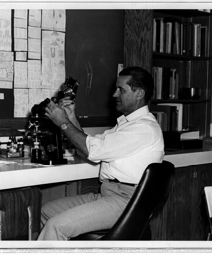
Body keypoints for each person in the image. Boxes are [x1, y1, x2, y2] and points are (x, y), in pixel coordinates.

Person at [37, 66, 164, 240]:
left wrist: (63, 123)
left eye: (121, 90)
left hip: (127, 201)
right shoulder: (127, 124)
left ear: (139, 94)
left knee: (56, 226)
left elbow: (93, 151)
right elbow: (92, 146)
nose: (114, 95)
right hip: (109, 194)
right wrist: (72, 117)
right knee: (46, 212)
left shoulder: (144, 128)